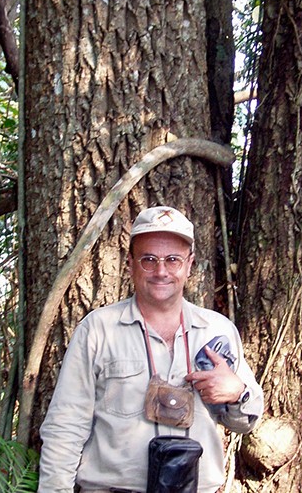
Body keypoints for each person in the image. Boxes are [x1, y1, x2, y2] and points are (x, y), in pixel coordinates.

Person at [38, 206, 264, 493]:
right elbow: (65, 426)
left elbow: (246, 423)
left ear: (189, 265)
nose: (161, 271)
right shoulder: (98, 330)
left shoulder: (217, 331)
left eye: (173, 260)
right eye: (148, 260)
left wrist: (237, 393)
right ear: (130, 263)